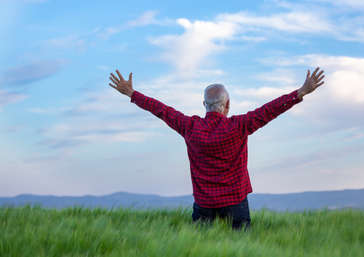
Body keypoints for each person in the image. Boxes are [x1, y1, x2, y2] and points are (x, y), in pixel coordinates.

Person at [109, 67, 325, 230]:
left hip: (203, 204)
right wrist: (300, 93)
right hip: (236, 202)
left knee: (201, 250)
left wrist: (132, 94)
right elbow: (269, 110)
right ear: (227, 104)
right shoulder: (239, 126)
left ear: (204, 105)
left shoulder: (189, 126)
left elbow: (162, 110)